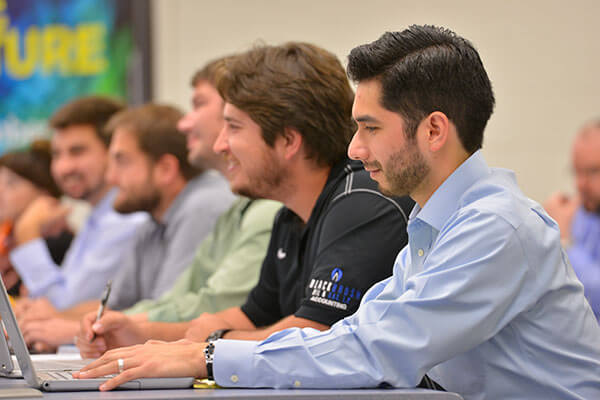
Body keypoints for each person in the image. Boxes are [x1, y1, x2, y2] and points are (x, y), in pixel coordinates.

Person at [76, 26, 600, 399]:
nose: (354, 149)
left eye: (371, 128)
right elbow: (361, 332)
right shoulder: (436, 222)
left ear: (434, 130)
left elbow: (380, 349)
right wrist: (195, 351)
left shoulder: (495, 227)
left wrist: (208, 356)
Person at [76, 42, 413, 357]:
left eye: (234, 128)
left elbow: (316, 333)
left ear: (287, 140)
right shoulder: (290, 215)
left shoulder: (362, 202)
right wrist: (140, 332)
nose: (222, 146)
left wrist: (205, 346)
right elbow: (251, 317)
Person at [72, 57, 282, 357]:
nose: (184, 123)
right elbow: (178, 301)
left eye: (198, 104)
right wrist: (120, 325)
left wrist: (129, 328)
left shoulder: (211, 204)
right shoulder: (236, 208)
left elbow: (211, 307)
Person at [20, 103, 237, 350]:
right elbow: (116, 306)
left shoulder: (202, 205)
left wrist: (68, 328)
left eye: (121, 161)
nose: (111, 178)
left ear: (165, 169)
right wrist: (57, 322)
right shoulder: (152, 218)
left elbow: (169, 310)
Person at [9, 97, 148, 315]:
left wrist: (27, 234)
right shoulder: (97, 217)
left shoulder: (126, 220)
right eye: (57, 154)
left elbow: (64, 309)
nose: (63, 167)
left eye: (77, 151)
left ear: (114, 150)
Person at [0, 140, 73, 297]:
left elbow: (56, 305)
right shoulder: (8, 239)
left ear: (44, 193)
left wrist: (27, 231)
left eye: (11, 184)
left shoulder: (60, 243)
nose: (0, 191)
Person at [545, 120, 600, 320]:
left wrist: (564, 242)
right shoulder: (581, 215)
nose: (580, 184)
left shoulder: (568, 226)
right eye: (577, 171)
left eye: (593, 171)